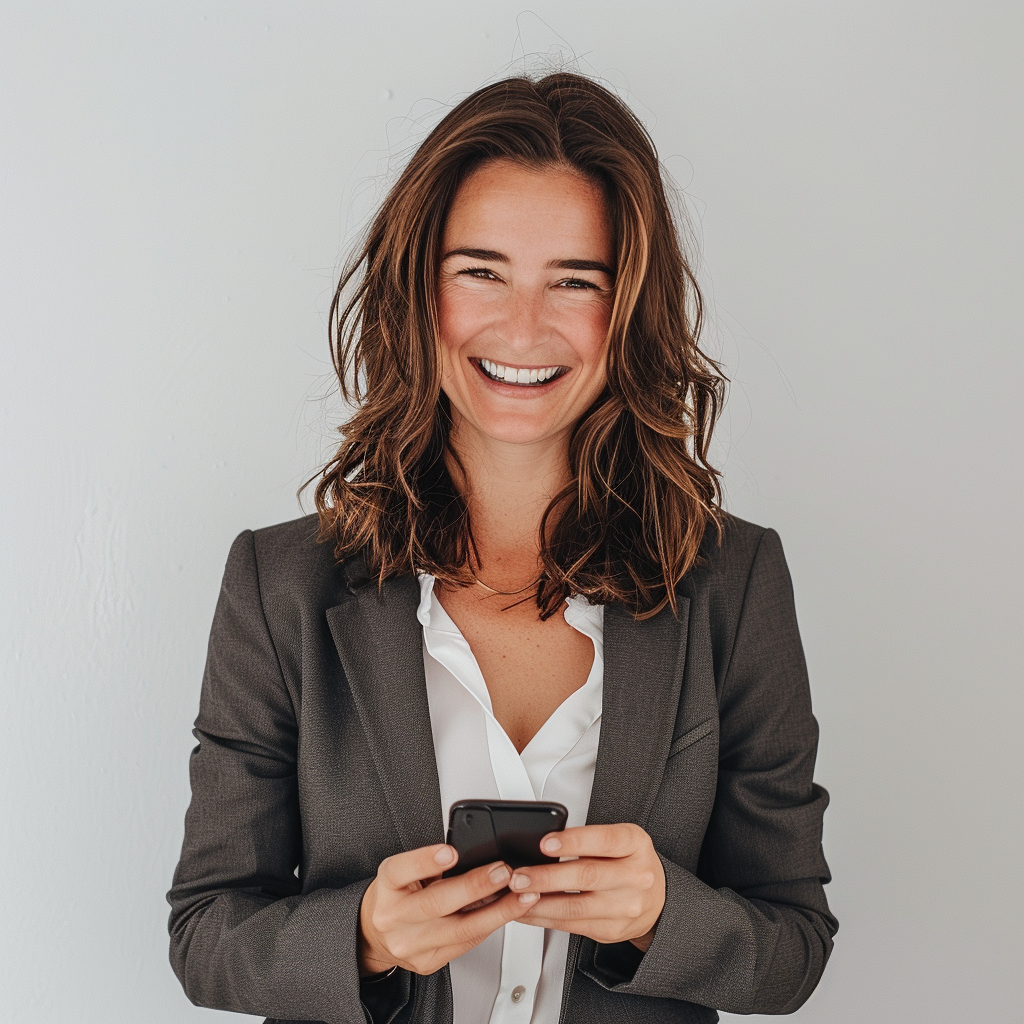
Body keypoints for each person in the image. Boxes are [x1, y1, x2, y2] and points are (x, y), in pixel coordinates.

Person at [167, 72, 836, 1024]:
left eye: (575, 281)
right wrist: (365, 938)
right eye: (481, 271)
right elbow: (205, 935)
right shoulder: (280, 584)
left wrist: (661, 916)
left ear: (628, 309)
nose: (524, 327)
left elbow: (794, 948)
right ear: (420, 290)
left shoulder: (734, 580)